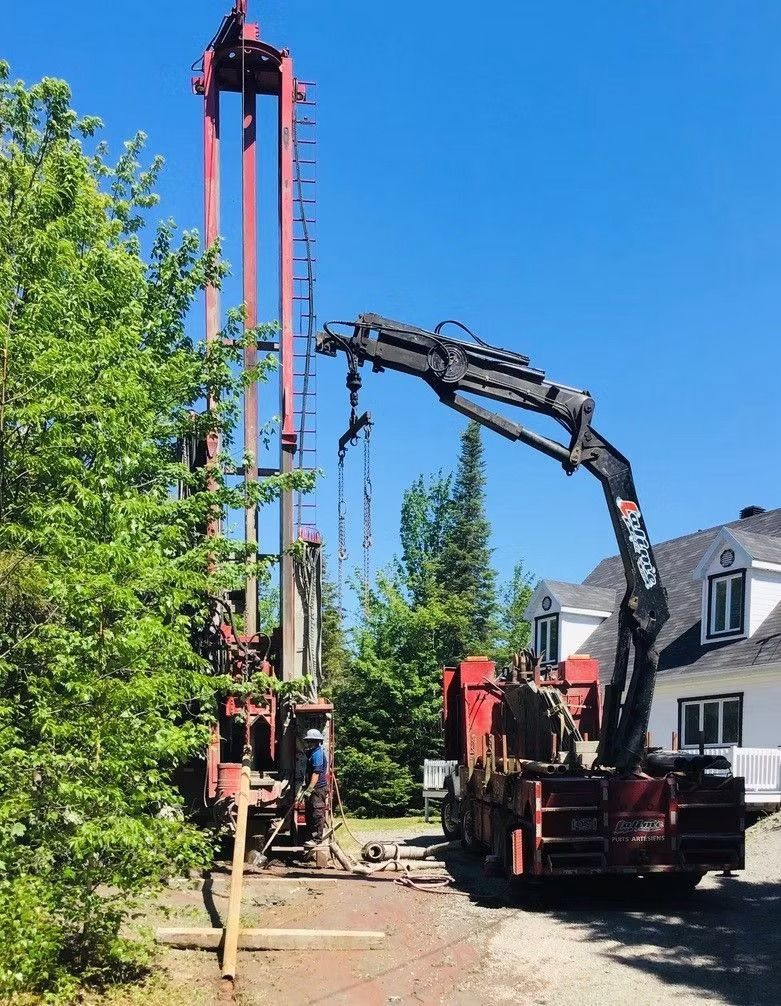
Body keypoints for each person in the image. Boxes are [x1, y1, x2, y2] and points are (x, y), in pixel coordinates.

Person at [302, 728, 329, 849]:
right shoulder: (312, 752)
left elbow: (316, 773)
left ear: (318, 741)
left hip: (318, 788)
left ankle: (317, 839)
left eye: (312, 741)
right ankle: (310, 837)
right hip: (312, 787)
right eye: (308, 741)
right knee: (309, 813)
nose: (309, 743)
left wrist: (309, 789)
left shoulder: (318, 753)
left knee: (317, 813)